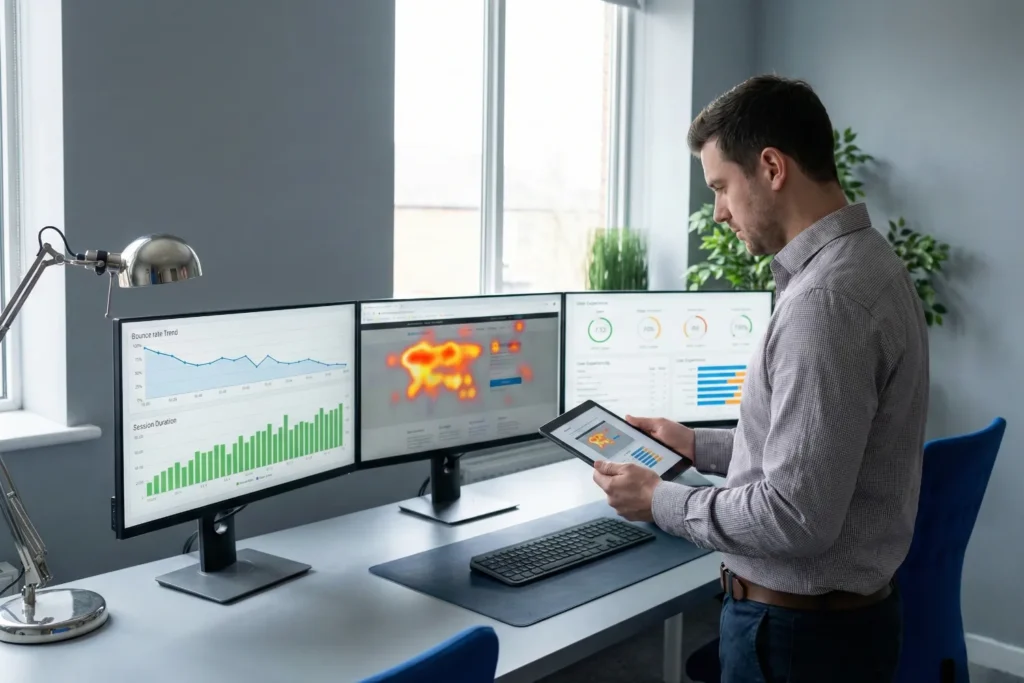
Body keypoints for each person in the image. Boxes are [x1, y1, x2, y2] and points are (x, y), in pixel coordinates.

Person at [591, 74, 929, 682]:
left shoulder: (825, 303)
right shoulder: (870, 262)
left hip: (796, 641)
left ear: (772, 168)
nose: (718, 212)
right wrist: (695, 445)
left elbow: (794, 515)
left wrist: (659, 500)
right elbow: (824, 456)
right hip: (840, 630)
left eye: (721, 187)